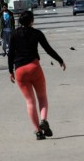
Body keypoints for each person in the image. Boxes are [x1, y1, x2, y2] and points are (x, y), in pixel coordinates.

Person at [8, 11, 66, 140]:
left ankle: (38, 131)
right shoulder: (37, 33)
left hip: (20, 71)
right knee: (42, 98)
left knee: (30, 102)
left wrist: (10, 71)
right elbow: (48, 49)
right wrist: (60, 60)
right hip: (34, 67)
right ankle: (43, 120)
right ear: (32, 21)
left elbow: (11, 54)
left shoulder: (14, 35)